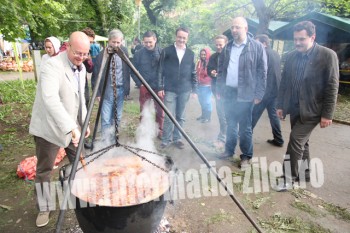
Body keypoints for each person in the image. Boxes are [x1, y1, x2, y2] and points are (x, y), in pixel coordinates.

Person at [29, 31, 91, 227]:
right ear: (67, 46)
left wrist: (84, 122)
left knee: (79, 163)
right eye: (77, 53)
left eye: (85, 54)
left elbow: (80, 97)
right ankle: (44, 207)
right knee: (45, 170)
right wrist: (72, 127)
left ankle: (83, 196)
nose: (81, 57)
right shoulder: (51, 66)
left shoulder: (80, 69)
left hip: (72, 126)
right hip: (48, 128)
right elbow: (50, 100)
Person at [275, 21, 339, 191]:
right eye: (295, 39)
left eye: (301, 39)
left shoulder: (327, 55)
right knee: (303, 142)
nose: (297, 43)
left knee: (295, 140)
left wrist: (327, 114)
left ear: (313, 37)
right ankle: (305, 173)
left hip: (313, 109)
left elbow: (332, 86)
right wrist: (281, 105)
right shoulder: (290, 56)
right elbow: (285, 83)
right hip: (294, 108)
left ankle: (288, 178)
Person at [216, 17, 267, 170]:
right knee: (230, 124)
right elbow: (221, 71)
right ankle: (229, 151)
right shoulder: (228, 47)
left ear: (245, 28)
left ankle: (246, 156)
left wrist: (259, 93)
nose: (234, 30)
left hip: (246, 94)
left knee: (245, 128)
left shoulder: (257, 47)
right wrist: (219, 89)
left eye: (237, 27)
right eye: (232, 27)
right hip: (229, 92)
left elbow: (262, 72)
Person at [158, 27, 198, 149]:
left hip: (185, 90)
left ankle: (177, 138)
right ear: (176, 37)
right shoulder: (166, 51)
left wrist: (195, 90)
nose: (181, 39)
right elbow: (160, 70)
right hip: (170, 89)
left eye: (184, 37)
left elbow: (193, 72)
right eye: (179, 37)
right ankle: (165, 139)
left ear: (187, 38)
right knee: (169, 116)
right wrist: (160, 87)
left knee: (180, 116)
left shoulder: (191, 54)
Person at [91, 29, 130, 142]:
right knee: (106, 118)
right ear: (109, 41)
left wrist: (127, 88)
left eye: (118, 42)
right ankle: (105, 142)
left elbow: (127, 70)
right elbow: (95, 76)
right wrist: (98, 93)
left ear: (121, 41)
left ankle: (114, 139)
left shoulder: (124, 52)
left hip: (121, 89)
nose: (116, 45)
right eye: (114, 42)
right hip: (107, 91)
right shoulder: (100, 56)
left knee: (117, 117)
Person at [252, 34, 284, 147]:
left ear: (264, 43)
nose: (255, 45)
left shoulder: (263, 53)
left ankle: (244, 135)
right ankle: (279, 139)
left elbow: (261, 74)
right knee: (273, 116)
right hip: (276, 90)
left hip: (265, 91)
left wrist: (257, 92)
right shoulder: (275, 53)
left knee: (254, 114)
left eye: (257, 43)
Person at [132, 31, 164, 138]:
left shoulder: (162, 53)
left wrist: (162, 86)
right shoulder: (138, 54)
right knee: (143, 110)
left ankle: (160, 131)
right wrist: (139, 83)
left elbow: (166, 70)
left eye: (150, 42)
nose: (148, 45)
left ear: (155, 40)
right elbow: (132, 70)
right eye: (146, 42)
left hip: (158, 87)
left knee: (160, 111)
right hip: (144, 86)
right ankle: (144, 131)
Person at [207, 35, 228, 147]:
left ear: (226, 44)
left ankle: (223, 138)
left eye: (221, 44)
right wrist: (212, 72)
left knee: (223, 114)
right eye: (217, 45)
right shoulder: (213, 56)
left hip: (226, 90)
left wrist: (219, 74)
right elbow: (209, 68)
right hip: (216, 89)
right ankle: (223, 135)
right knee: (221, 113)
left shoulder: (230, 56)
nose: (218, 47)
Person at [196, 48, 212, 123]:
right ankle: (203, 115)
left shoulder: (210, 63)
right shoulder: (199, 62)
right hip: (200, 85)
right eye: (201, 54)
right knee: (201, 101)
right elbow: (196, 72)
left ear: (207, 54)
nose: (203, 56)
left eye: (204, 54)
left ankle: (207, 117)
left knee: (207, 102)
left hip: (207, 86)